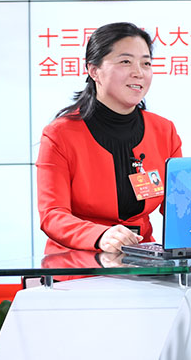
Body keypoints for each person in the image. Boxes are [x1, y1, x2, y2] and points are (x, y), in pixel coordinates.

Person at [37, 22, 182, 254]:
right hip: (76, 260)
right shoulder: (60, 134)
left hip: (142, 258)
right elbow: (52, 215)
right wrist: (100, 236)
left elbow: (179, 208)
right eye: (125, 62)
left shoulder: (164, 131)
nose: (139, 72)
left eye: (146, 63)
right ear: (94, 70)